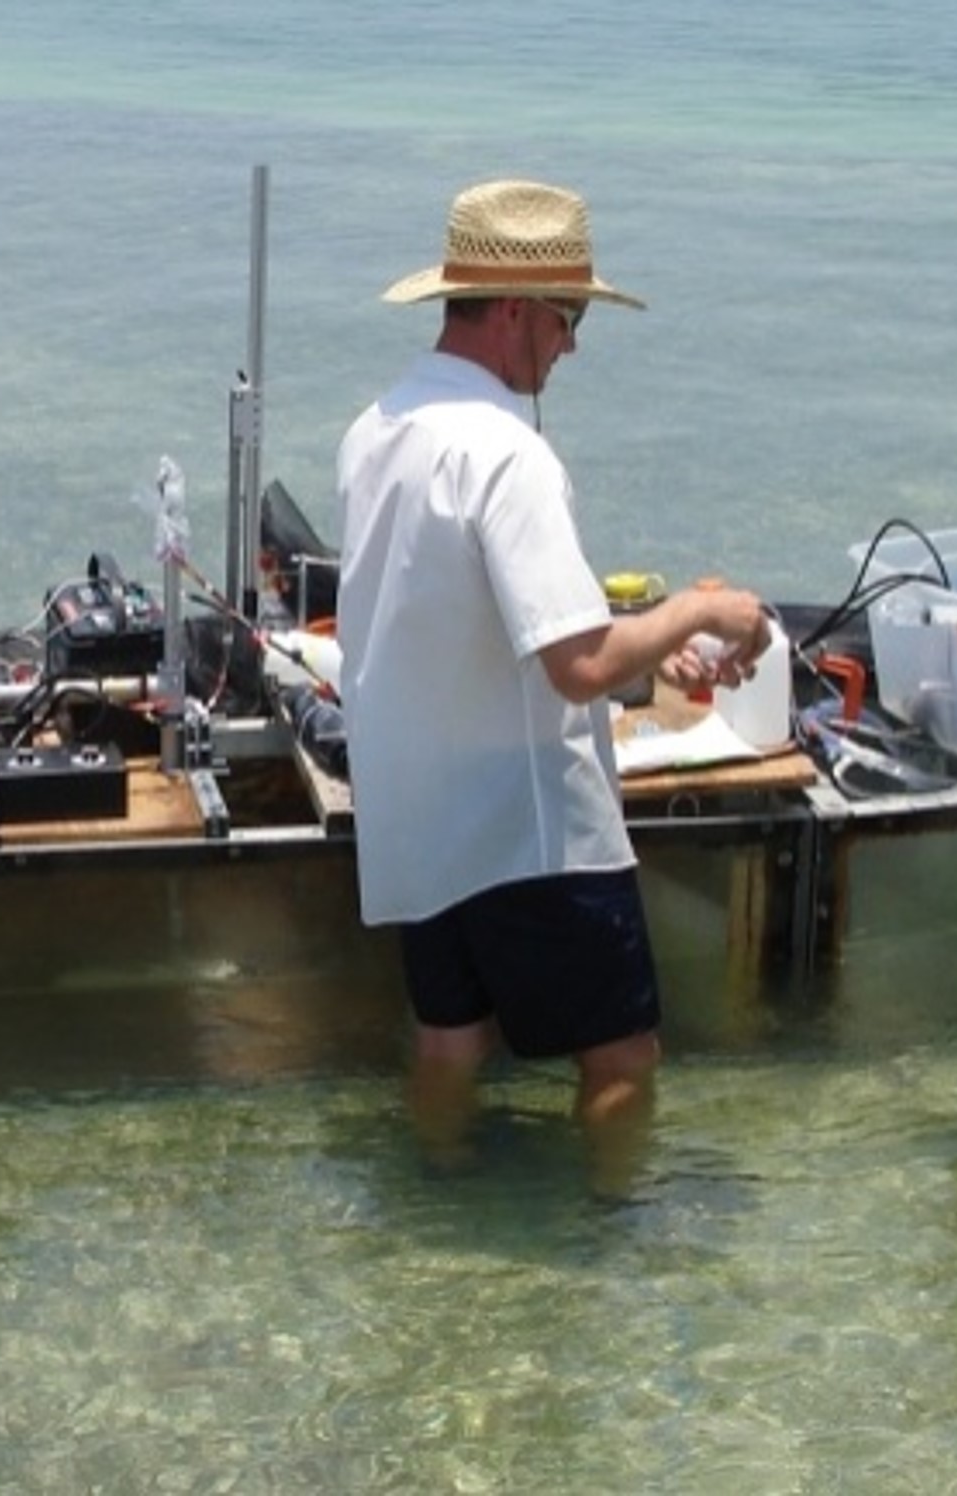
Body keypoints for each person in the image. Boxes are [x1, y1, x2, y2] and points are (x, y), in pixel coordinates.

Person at [334, 178, 774, 1189]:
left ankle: (439, 1195)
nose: (572, 345)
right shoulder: (507, 450)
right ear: (519, 313)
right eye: (569, 319)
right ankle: (606, 1233)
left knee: (451, 1038)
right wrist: (695, 612)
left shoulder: (378, 425)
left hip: (414, 808)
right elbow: (574, 670)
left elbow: (450, 612)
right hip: (527, 825)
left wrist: (644, 641)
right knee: (621, 1057)